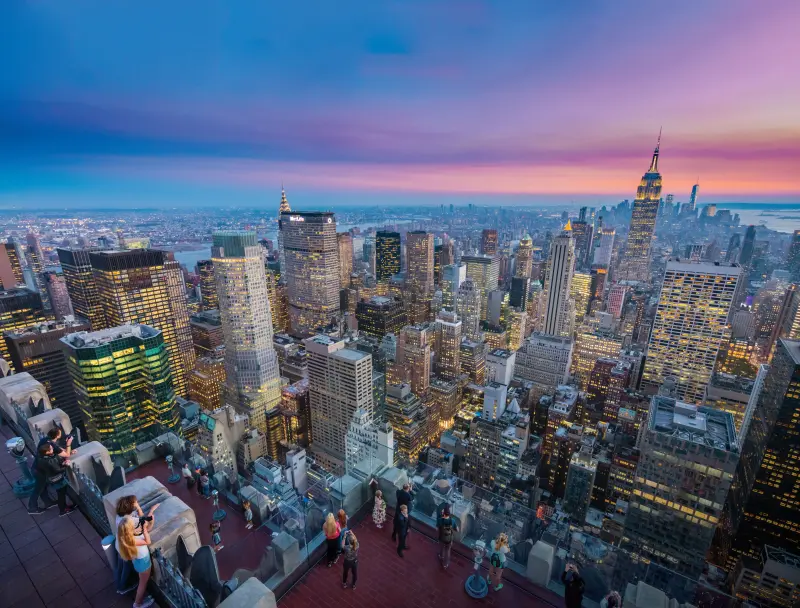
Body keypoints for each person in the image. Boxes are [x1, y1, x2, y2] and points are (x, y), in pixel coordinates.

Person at [114, 496, 159, 597]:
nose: (136, 503)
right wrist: (149, 511)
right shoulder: (131, 522)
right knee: (128, 572)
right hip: (136, 555)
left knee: (120, 567)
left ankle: (119, 586)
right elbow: (146, 525)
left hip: (120, 547)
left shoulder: (119, 517)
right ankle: (123, 588)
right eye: (135, 503)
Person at [28, 428, 73, 514]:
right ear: (57, 436)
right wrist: (68, 445)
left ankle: (48, 502)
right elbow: (64, 454)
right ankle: (32, 508)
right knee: (38, 489)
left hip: (37, 468)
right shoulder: (51, 447)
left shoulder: (45, 441)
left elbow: (59, 450)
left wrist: (69, 452)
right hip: (41, 472)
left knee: (42, 487)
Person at [118, 515, 155, 608]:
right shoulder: (133, 541)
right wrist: (144, 529)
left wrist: (149, 522)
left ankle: (139, 601)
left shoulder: (127, 537)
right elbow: (148, 541)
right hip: (143, 563)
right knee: (143, 584)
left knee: (142, 581)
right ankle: (137, 604)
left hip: (138, 562)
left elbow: (144, 531)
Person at [36, 442, 79, 516]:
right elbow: (57, 470)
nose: (53, 448)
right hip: (57, 479)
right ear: (47, 452)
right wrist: (65, 465)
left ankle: (64, 507)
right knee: (61, 494)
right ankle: (63, 510)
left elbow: (54, 462)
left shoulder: (41, 458)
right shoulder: (49, 461)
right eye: (51, 448)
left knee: (60, 493)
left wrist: (68, 455)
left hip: (50, 478)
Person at [437, 503, 459, 569]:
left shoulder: (440, 520)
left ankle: (441, 556)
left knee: (442, 547)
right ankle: (445, 564)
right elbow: (457, 530)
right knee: (447, 551)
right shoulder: (452, 521)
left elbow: (436, 529)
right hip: (449, 539)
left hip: (441, 537)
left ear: (443, 514)